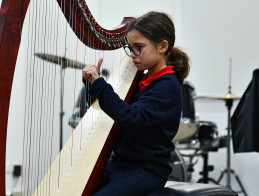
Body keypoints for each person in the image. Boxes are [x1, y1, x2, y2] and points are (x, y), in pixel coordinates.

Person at [82, 11, 190, 196]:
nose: (132, 54)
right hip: (120, 164)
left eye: (138, 47)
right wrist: (91, 83)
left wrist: (100, 84)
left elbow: (131, 117)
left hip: (146, 170)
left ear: (163, 46)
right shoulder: (143, 79)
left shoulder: (167, 85)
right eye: (130, 48)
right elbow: (107, 109)